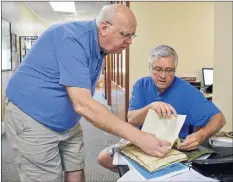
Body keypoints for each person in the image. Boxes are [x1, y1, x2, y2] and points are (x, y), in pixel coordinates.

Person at [4, 5, 172, 182]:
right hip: (32, 119)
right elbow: (83, 104)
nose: (129, 41)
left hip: (68, 122)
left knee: (76, 170)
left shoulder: (100, 47)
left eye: (132, 36)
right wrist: (140, 138)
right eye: (125, 35)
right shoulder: (71, 39)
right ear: (104, 28)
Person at [98, 44, 226, 172]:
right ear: (150, 68)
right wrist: (150, 108)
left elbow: (219, 119)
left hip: (173, 148)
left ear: (174, 70)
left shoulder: (187, 91)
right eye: (158, 69)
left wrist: (200, 136)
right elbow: (131, 119)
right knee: (104, 158)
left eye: (169, 70)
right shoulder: (141, 85)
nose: (163, 76)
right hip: (142, 142)